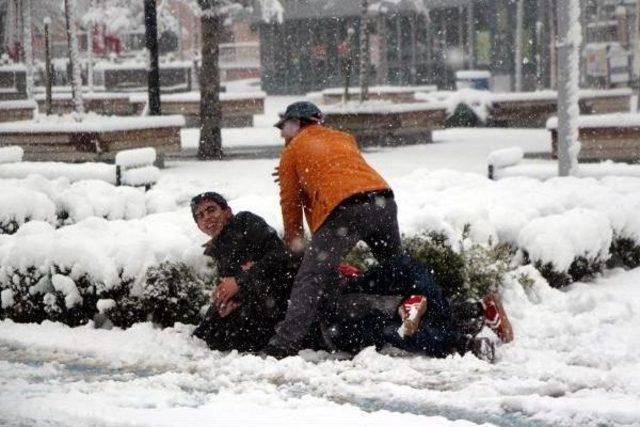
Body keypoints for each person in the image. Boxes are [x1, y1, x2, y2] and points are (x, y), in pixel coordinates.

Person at [264, 101, 403, 358]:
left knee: (309, 279)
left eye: (284, 128)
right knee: (397, 270)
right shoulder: (343, 138)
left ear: (295, 125)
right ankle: (435, 317)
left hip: (344, 210)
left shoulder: (292, 151)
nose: (282, 136)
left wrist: (295, 244)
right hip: (383, 199)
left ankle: (282, 346)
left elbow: (290, 204)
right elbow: (336, 169)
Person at [327, 255, 514, 363]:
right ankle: (476, 310)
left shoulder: (315, 276)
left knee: (387, 326)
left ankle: (463, 343)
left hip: (343, 310)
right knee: (405, 267)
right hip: (354, 300)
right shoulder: (320, 266)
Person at [190, 192, 298, 352]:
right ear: (199, 226)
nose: (207, 217)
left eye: (211, 210)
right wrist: (227, 303)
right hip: (256, 303)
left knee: (240, 337)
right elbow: (232, 285)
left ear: (227, 211)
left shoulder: (245, 223)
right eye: (200, 215)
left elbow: (280, 257)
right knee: (210, 335)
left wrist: (240, 281)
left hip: (283, 299)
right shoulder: (218, 248)